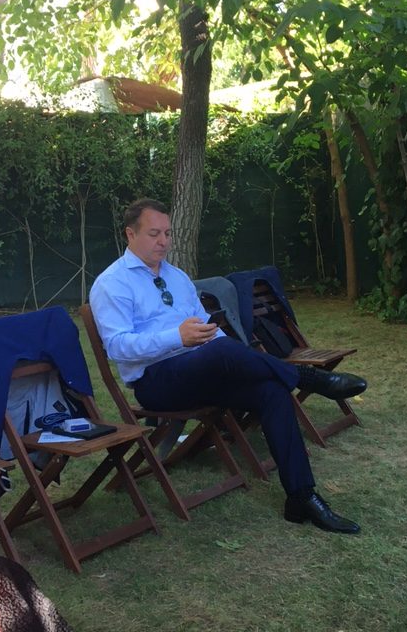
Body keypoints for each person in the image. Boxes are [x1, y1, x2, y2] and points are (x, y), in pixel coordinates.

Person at [90, 198, 367, 534]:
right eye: (154, 234)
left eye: (168, 233)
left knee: (271, 390)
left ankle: (301, 497)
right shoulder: (112, 284)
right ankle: (309, 378)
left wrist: (213, 340)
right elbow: (118, 347)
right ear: (130, 234)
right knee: (221, 351)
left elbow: (210, 328)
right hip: (157, 381)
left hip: (203, 370)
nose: (163, 241)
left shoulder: (177, 277)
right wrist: (177, 337)